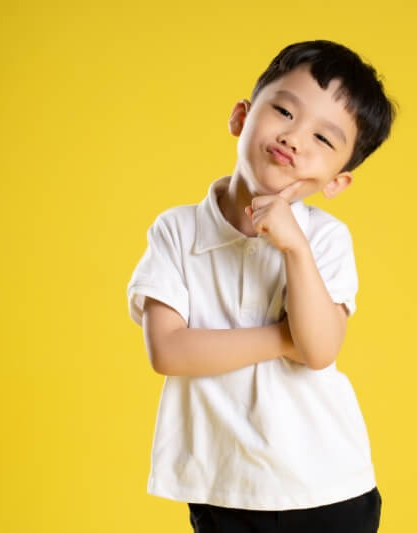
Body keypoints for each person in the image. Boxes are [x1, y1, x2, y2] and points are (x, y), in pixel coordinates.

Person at [127, 39, 396, 532]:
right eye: (284, 112)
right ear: (241, 117)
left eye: (324, 139)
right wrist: (283, 339)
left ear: (337, 181)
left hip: (328, 484)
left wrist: (295, 249)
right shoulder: (176, 231)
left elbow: (317, 351)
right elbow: (167, 351)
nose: (295, 139)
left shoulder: (325, 240)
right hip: (223, 487)